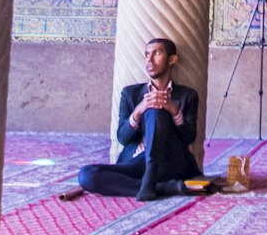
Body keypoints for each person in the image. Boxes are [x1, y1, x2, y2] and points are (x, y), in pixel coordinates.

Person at [78, 38, 207, 201]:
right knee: (87, 175)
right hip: (137, 162)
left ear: (172, 59)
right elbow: (123, 138)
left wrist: (174, 110)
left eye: (157, 53)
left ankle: (150, 177)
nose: (149, 60)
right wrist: (139, 110)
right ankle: (160, 187)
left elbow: (189, 137)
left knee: (156, 111)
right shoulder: (130, 94)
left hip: (170, 162)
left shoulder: (187, 95)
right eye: (147, 55)